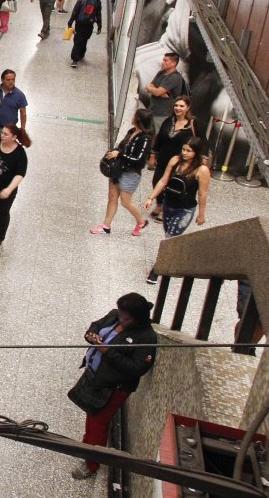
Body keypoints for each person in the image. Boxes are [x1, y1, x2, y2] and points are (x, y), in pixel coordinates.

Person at [71, 293, 157, 480]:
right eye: (120, 314)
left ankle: (91, 463)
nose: (121, 320)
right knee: (92, 416)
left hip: (114, 388)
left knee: (98, 422)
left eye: (127, 318)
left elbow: (137, 368)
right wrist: (91, 334)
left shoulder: (147, 337)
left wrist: (107, 352)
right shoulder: (114, 315)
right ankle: (87, 446)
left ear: (138, 318)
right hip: (96, 378)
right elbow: (96, 325)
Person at [144, 137, 211, 283]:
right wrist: (151, 197)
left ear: (196, 152)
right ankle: (172, 258)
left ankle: (156, 270)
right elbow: (164, 180)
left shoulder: (201, 170)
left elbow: (202, 193)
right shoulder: (175, 161)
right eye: (183, 149)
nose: (185, 153)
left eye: (189, 151)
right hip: (168, 204)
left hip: (185, 209)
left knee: (170, 238)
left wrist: (201, 214)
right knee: (170, 236)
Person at [90, 109, 153, 236]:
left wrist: (119, 154)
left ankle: (141, 221)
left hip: (131, 173)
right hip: (117, 170)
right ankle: (106, 225)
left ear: (139, 119)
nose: (132, 117)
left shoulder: (145, 138)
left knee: (125, 201)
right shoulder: (131, 131)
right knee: (112, 198)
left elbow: (139, 160)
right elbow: (122, 147)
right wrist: (114, 152)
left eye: (134, 115)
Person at [148, 95, 197, 220]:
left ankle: (166, 209)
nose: (178, 108)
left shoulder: (191, 125)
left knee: (172, 186)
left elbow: (197, 143)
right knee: (157, 181)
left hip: (179, 161)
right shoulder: (168, 121)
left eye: (181, 106)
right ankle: (159, 204)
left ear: (187, 108)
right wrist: (153, 154)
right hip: (163, 158)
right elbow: (159, 138)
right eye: (176, 105)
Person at [145, 53, 186, 133]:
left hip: (163, 113)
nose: (163, 62)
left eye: (166, 60)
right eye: (163, 60)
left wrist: (156, 91)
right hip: (152, 110)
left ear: (173, 63)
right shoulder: (160, 73)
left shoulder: (175, 77)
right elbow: (149, 86)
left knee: (159, 135)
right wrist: (153, 89)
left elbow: (157, 92)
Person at [67, 0, 103, 67]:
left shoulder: (81, 0)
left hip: (79, 24)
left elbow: (75, 12)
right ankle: (81, 54)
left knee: (78, 40)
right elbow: (98, 15)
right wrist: (99, 27)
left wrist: (70, 23)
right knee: (84, 40)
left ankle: (75, 60)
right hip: (89, 25)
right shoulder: (98, 2)